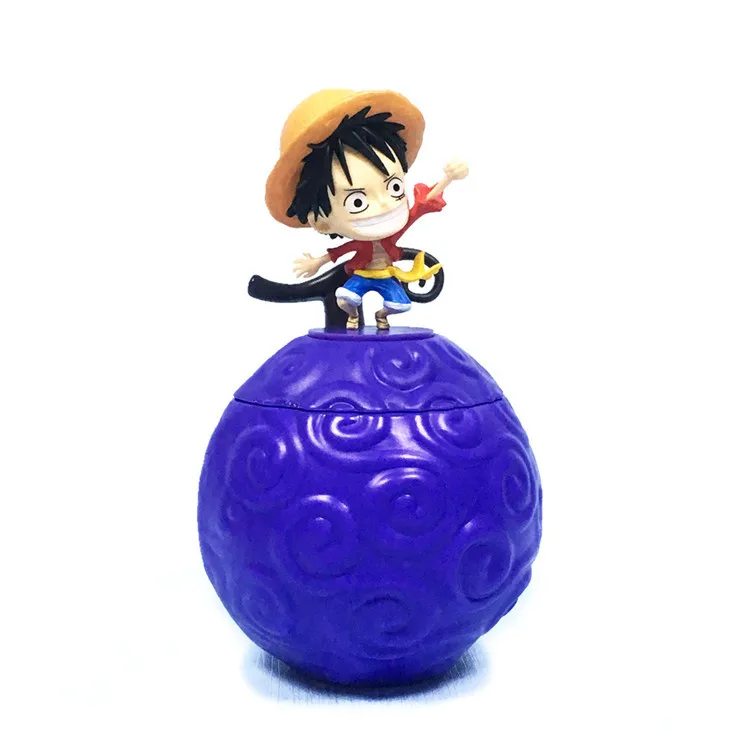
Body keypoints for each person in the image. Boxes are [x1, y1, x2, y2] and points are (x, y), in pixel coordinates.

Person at [265, 89, 468, 329]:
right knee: (345, 297)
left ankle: (381, 316)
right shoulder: (358, 243)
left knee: (400, 305)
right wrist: (317, 262)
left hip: (387, 276)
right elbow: (338, 252)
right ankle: (352, 316)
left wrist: (448, 179)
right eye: (357, 202)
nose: (384, 204)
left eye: (394, 187)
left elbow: (421, 206)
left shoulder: (394, 231)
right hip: (361, 276)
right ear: (322, 223)